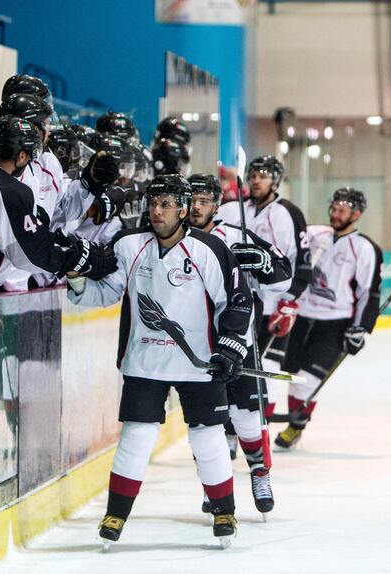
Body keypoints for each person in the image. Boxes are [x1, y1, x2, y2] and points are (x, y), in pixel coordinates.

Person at [66, 174, 253, 547]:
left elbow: (235, 301)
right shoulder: (130, 245)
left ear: (184, 209)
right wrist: (76, 280)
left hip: (199, 365)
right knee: (135, 437)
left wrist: (231, 347)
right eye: (153, 203)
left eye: (166, 204)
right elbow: (107, 292)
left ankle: (224, 511)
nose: (157, 210)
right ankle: (115, 514)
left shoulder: (210, 249)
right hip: (144, 362)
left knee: (208, 438)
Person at [187, 173, 292, 514]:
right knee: (206, 424)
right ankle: (212, 483)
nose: (196, 206)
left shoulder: (236, 236)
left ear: (217, 204)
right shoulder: (171, 240)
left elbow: (283, 275)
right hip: (193, 351)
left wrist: (262, 265)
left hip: (238, 343)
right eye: (191, 199)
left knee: (247, 421)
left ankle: (260, 473)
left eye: (204, 200)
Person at [274, 187, 382, 450]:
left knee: (309, 380)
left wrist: (360, 328)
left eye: (342, 210)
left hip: (335, 324)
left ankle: (295, 426)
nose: (335, 214)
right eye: (333, 208)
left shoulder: (365, 248)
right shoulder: (314, 234)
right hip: (300, 318)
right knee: (293, 376)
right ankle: (294, 422)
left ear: (357, 214)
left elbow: (369, 292)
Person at [217, 155, 312, 420]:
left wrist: (290, 302)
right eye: (254, 174)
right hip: (236, 305)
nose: (256, 179)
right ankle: (231, 434)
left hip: (273, 308)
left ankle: (260, 433)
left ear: (276, 180)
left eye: (264, 175)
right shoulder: (230, 210)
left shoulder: (289, 213)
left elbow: (303, 265)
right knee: (233, 371)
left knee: (266, 374)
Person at [0, 115, 113, 293]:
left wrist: (88, 186)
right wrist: (73, 259)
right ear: (21, 155)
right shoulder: (9, 190)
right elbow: (28, 254)